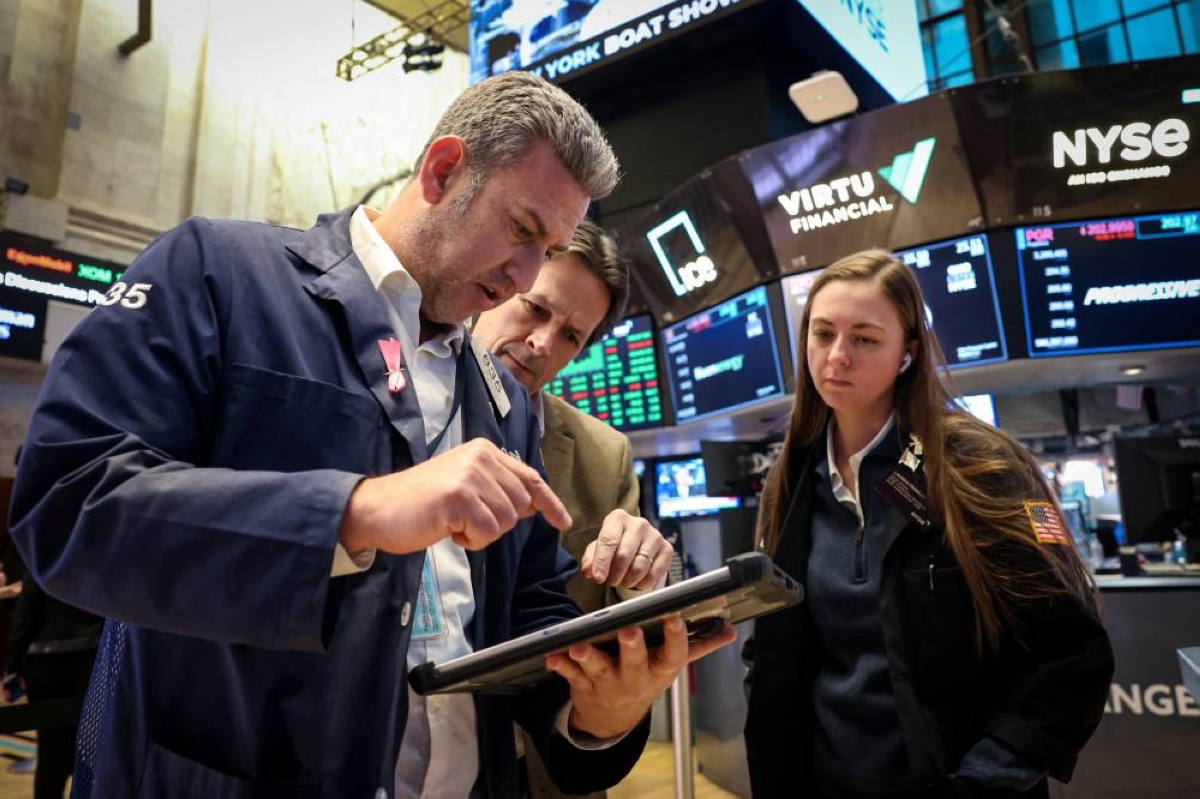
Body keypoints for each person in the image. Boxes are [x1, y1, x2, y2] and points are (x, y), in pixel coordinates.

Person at [10, 72, 733, 798]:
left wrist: (599, 712)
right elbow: (69, 502)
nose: (522, 276)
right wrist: (355, 512)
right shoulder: (221, 274)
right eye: (522, 231)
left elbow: (528, 611)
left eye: (546, 250)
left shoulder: (504, 399)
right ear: (444, 169)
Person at [743, 250, 1114, 798]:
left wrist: (981, 782)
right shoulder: (793, 477)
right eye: (822, 334)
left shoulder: (978, 466)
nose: (837, 356)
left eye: (865, 339)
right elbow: (772, 646)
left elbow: (1071, 656)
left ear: (907, 354)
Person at [473, 219, 671, 799]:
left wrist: (645, 580)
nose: (543, 344)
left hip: (545, 765)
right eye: (535, 309)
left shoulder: (602, 454)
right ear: (496, 283)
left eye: (570, 337)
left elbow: (622, 619)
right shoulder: (405, 401)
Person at [4, 575, 103, 799]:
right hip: (92, 662)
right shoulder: (96, 559)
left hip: (47, 665)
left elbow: (24, 618)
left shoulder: (46, 560)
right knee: (90, 750)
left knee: (51, 752)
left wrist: (12, 668)